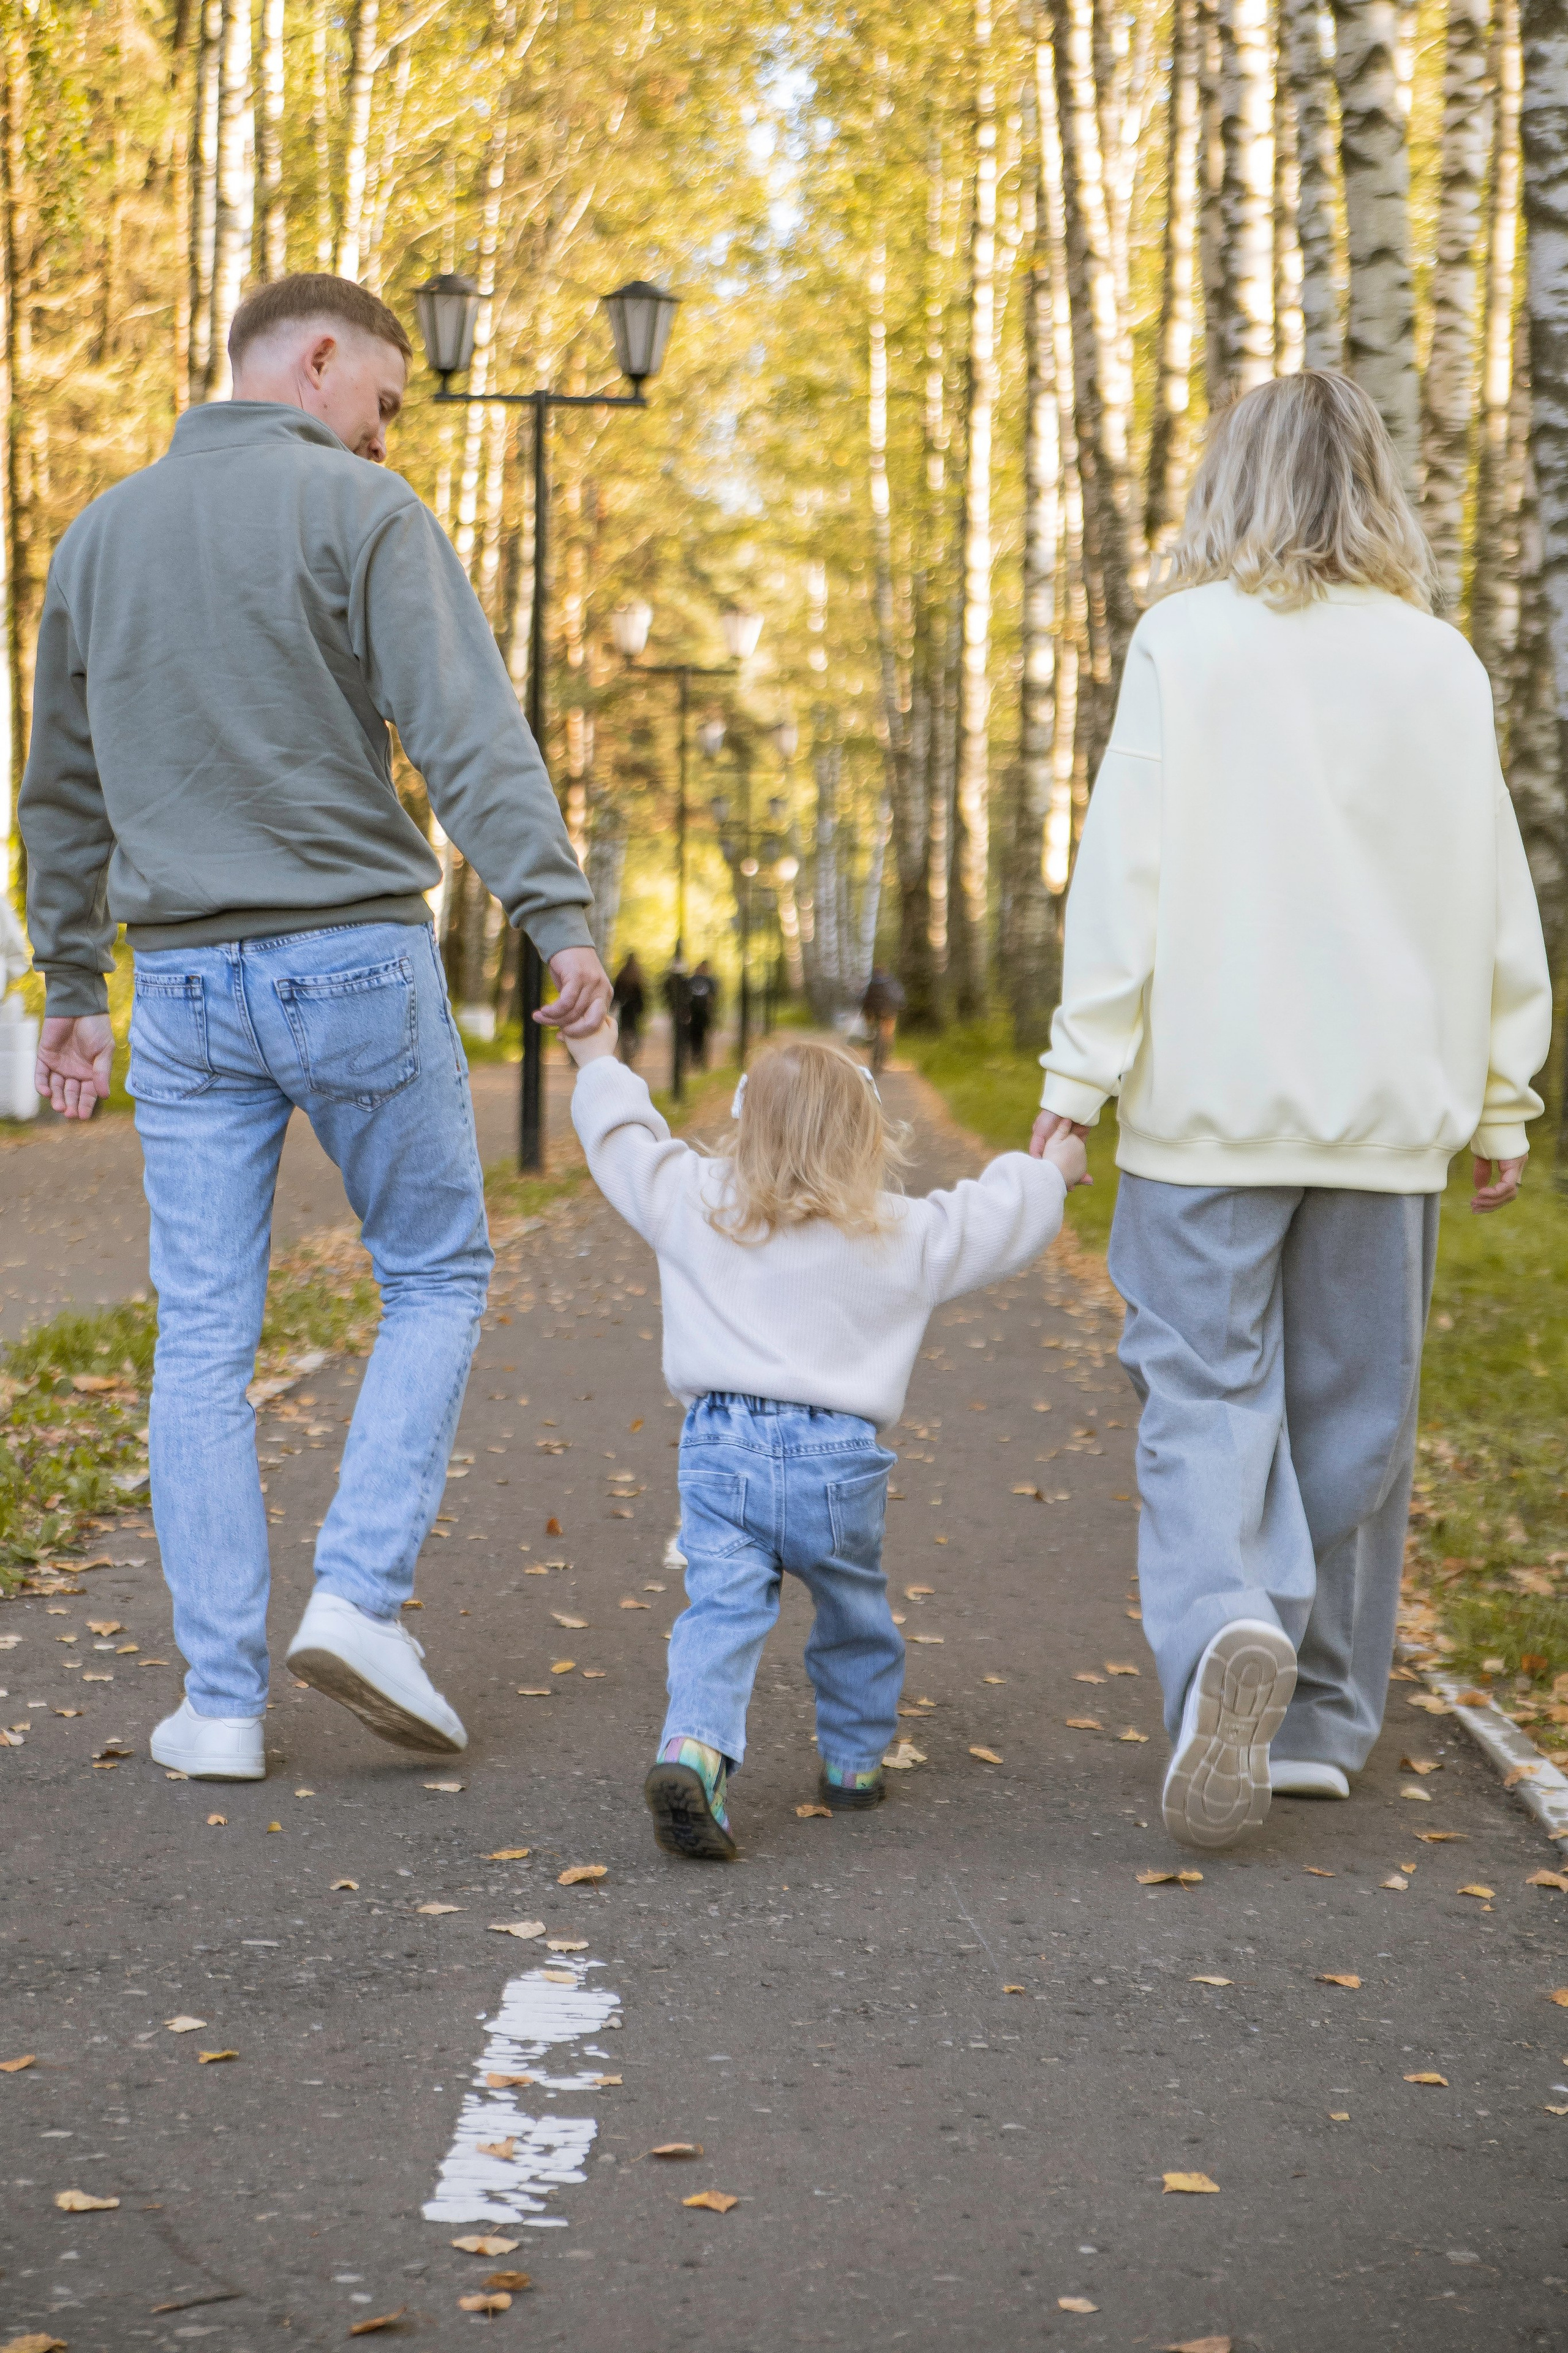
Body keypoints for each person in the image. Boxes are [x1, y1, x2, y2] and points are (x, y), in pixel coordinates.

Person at [19, 273, 612, 1783]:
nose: (385, 436)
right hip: (349, 957)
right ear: (321, 358)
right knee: (435, 1268)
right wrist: (557, 916)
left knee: (203, 1337)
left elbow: (62, 793)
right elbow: (466, 729)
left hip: (187, 991)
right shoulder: (362, 517)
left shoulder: (97, 538)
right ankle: (356, 1594)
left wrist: (74, 992)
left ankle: (217, 1702)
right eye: (386, 405)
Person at [1031, 371, 1551, 1853]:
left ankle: (1219, 1638)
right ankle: (1318, 1721)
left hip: (1205, 1106)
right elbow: (1491, 894)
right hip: (1386, 1118)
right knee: (1354, 1419)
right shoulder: (1439, 662)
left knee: (1197, 1395)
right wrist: (1502, 1096)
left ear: (1230, 485)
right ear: (1373, 485)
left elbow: (1124, 875)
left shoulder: (1185, 644)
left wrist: (1076, 1086)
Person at [565, 1027, 1087, 1858]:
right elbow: (989, 1221)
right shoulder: (894, 1230)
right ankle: (852, 1764)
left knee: (722, 1609)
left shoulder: (697, 1199)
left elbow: (626, 1146)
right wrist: (1049, 1173)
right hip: (837, 1463)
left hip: (722, 1450)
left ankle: (693, 1754)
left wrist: (597, 1058)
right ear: (868, 1138)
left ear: (744, 1125)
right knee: (853, 1611)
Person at [861, 965, 905, 1075]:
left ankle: (871, 1035)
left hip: (874, 1012)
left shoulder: (872, 984)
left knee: (874, 1029)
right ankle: (887, 1056)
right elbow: (900, 997)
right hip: (889, 1011)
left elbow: (865, 1000)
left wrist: (866, 1012)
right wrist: (901, 1006)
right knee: (888, 1034)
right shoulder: (892, 982)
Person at [612, 953, 646, 1065]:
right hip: (633, 1011)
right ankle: (631, 1051)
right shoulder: (638, 977)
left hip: (625, 1009)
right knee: (633, 1030)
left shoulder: (622, 975)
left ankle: (627, 1052)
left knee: (625, 1030)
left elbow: (615, 994)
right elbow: (642, 997)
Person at [685, 959, 720, 1068]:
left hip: (704, 1015)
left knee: (703, 1037)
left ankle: (701, 1059)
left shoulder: (710, 981)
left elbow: (713, 997)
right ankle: (695, 1056)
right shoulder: (692, 980)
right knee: (693, 1037)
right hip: (693, 1015)